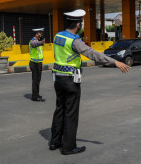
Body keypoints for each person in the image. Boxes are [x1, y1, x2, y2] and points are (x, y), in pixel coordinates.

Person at [49, 9, 131, 155]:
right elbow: (92, 54)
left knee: (59, 109)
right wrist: (115, 62)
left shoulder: (57, 36)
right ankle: (68, 147)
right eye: (80, 23)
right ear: (77, 24)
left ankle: (55, 142)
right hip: (70, 79)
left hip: (57, 78)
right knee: (70, 113)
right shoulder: (74, 40)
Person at [29, 28, 46, 102]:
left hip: (38, 63)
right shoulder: (33, 41)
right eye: (40, 33)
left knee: (38, 80)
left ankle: (37, 94)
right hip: (34, 63)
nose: (41, 34)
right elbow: (34, 44)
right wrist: (41, 43)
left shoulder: (38, 42)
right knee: (35, 80)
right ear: (36, 34)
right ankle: (35, 97)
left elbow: (40, 54)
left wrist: (41, 62)